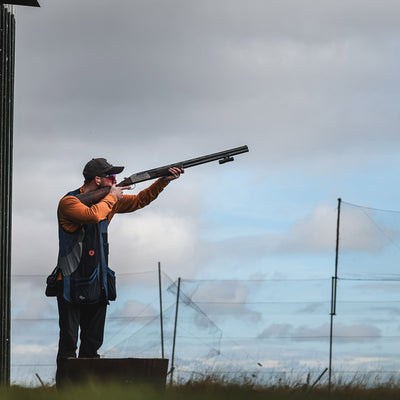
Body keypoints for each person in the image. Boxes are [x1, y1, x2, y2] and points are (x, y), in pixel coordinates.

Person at [54, 157, 183, 387]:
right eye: (111, 177)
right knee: (69, 345)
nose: (114, 180)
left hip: (98, 283)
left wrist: (163, 181)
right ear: (98, 180)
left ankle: (86, 392)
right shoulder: (69, 202)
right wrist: (113, 196)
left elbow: (140, 201)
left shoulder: (107, 200)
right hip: (71, 285)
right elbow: (93, 215)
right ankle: (64, 392)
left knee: (92, 346)